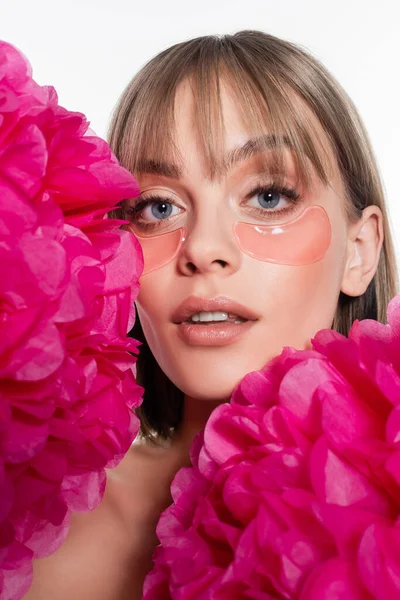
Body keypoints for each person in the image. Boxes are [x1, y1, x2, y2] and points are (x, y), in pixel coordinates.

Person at [24, 30, 398, 600]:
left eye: (268, 195)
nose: (203, 247)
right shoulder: (30, 521)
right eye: (159, 207)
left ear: (361, 250)